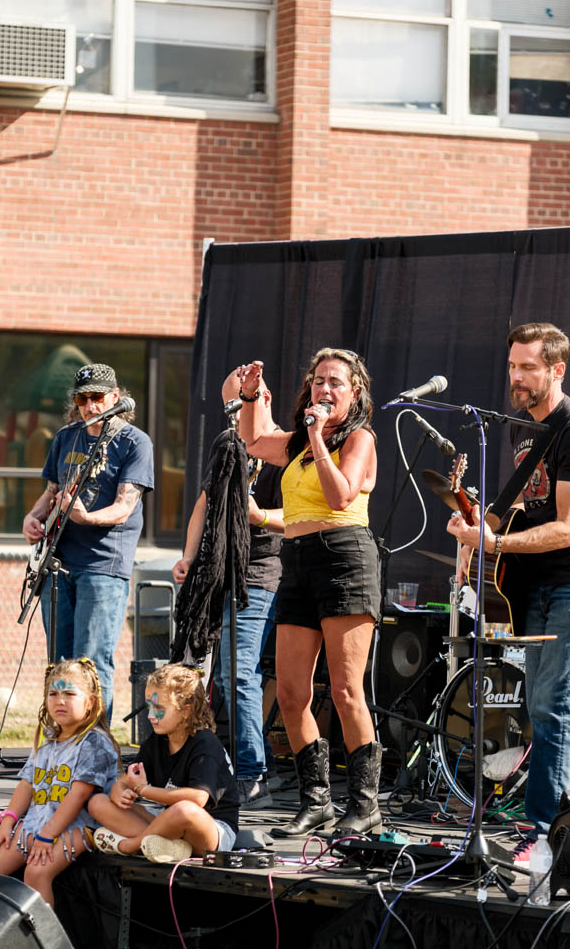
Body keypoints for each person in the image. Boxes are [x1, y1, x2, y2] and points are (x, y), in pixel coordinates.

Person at [447, 322, 570, 860]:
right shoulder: (526, 430)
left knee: (553, 706)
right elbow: (518, 504)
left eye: (528, 368)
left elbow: (568, 527)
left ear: (557, 370)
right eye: (512, 366)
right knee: (544, 709)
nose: (515, 377)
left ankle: (542, 832)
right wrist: (473, 532)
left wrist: (495, 542)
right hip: (538, 585)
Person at [237, 349, 381, 836]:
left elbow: (341, 495)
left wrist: (318, 437)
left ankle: (364, 805)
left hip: (344, 558)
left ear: (354, 392)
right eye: (318, 381)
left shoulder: (359, 438)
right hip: (296, 560)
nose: (324, 389)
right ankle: (316, 801)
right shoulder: (298, 441)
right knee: (291, 692)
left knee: (345, 690)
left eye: (335, 382)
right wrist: (251, 396)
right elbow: (255, 440)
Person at [172, 370, 284, 808]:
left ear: (262, 399)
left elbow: (302, 514)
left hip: (258, 572)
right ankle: (225, 764)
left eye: (239, 405)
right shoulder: (228, 445)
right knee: (208, 672)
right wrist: (188, 556)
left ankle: (253, 773)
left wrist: (259, 517)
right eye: (229, 408)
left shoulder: (283, 449)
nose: (234, 415)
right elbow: (204, 504)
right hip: (218, 570)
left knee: (237, 672)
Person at [22, 363, 154, 720]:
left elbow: (124, 508)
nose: (89, 405)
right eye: (82, 399)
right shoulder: (67, 437)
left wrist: (86, 517)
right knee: (59, 663)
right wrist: (33, 517)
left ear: (115, 397)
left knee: (91, 662)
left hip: (103, 565)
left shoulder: (134, 442)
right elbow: (51, 491)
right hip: (59, 562)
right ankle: (61, 739)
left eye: (97, 397)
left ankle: (95, 743)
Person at [0, 658, 120, 908]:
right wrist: (7, 821)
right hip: (40, 820)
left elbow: (78, 796)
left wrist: (47, 836)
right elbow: (27, 784)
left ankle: (42, 933)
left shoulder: (93, 742)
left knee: (37, 872)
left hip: (79, 825)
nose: (60, 701)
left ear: (91, 702)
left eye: (69, 694)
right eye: (53, 694)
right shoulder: (48, 739)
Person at [89, 663, 239, 862]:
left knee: (184, 810)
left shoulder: (206, 745)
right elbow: (124, 782)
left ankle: (131, 845)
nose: (150, 716)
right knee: (98, 802)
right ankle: (169, 846)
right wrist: (119, 793)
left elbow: (197, 799)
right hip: (167, 818)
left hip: (212, 828)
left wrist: (143, 790)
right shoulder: (157, 739)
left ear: (186, 710)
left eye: (159, 708)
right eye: (149, 707)